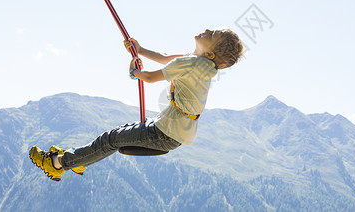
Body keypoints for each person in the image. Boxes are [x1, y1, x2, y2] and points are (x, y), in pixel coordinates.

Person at [29, 28, 244, 181]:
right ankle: (79, 159)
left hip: (165, 132)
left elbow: (150, 78)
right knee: (115, 135)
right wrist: (139, 50)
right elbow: (165, 58)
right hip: (175, 131)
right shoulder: (204, 64)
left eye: (212, 34)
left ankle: (58, 164)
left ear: (210, 53)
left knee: (111, 139)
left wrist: (134, 73)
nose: (206, 30)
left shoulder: (190, 63)